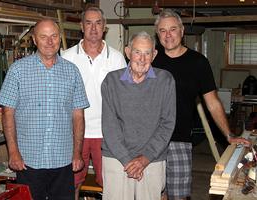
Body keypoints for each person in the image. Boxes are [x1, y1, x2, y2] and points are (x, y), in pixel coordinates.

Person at [153, 9, 251, 200]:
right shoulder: (150, 59)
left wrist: (229, 134)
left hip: (179, 140)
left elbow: (213, 102)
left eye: (172, 29)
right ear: (157, 34)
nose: (168, 35)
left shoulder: (198, 62)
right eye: (163, 31)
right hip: (150, 139)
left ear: (182, 31)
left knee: (178, 196)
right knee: (154, 193)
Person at [0, 19, 89, 200]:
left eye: (54, 36)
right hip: (28, 161)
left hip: (63, 160)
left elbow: (78, 115)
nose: (50, 41)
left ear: (59, 38)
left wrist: (77, 153)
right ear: (34, 40)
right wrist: (13, 152)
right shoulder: (18, 70)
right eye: (43, 36)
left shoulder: (72, 71)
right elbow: (8, 113)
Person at [101, 31, 176, 200]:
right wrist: (128, 161)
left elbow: (167, 124)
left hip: (152, 158)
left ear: (154, 55)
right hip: (116, 157)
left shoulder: (166, 80)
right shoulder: (111, 81)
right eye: (137, 52)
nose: (142, 59)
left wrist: (145, 159)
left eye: (147, 53)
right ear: (127, 52)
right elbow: (109, 126)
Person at [61, 6, 126, 200]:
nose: (94, 28)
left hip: (106, 133)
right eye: (88, 23)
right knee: (71, 183)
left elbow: (124, 98)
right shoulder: (67, 57)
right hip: (74, 133)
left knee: (110, 185)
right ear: (81, 26)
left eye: (98, 23)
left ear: (105, 27)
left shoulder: (117, 59)